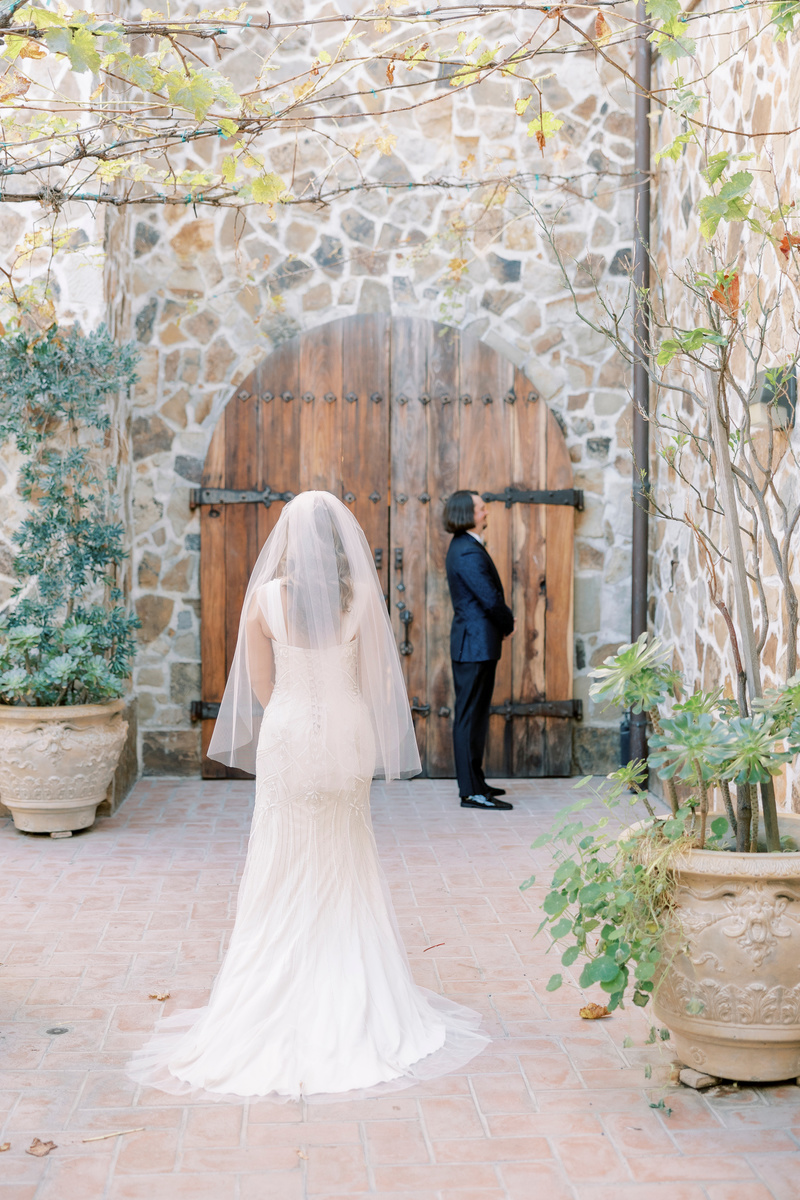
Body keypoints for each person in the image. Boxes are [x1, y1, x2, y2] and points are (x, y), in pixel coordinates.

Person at [128, 491, 489, 1100]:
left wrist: (298, 711)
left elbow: (261, 684)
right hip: (347, 732)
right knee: (346, 852)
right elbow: (376, 678)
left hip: (290, 734)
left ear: (291, 544)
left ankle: (276, 976)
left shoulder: (266, 599)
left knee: (283, 855)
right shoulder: (361, 599)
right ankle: (350, 977)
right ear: (340, 545)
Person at [444, 490, 515, 811]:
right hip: (473, 645)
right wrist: (508, 623)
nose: (486, 512)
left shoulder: (466, 546)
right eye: (481, 508)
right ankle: (470, 792)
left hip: (478, 644)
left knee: (475, 717)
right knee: (469, 718)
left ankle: (477, 782)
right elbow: (489, 598)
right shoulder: (466, 551)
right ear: (467, 514)